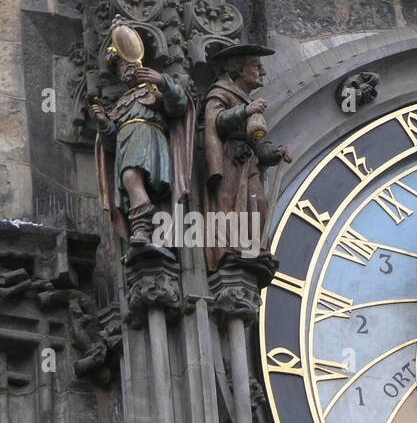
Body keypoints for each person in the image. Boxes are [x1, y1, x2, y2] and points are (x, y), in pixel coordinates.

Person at [91, 22, 193, 254]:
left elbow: (178, 107)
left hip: (148, 138)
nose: (125, 70)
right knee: (129, 180)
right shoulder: (121, 103)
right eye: (120, 69)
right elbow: (111, 144)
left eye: (127, 64)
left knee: (130, 177)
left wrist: (162, 81)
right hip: (127, 145)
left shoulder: (151, 90)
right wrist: (103, 123)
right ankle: (141, 229)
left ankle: (143, 227)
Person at [202, 43, 292, 272]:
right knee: (228, 202)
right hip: (228, 159)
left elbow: (258, 145)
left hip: (248, 162)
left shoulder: (246, 101)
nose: (263, 72)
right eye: (257, 66)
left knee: (258, 202)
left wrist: (275, 152)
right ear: (239, 69)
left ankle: (252, 248)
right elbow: (217, 121)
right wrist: (246, 110)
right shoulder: (220, 93)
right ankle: (230, 249)